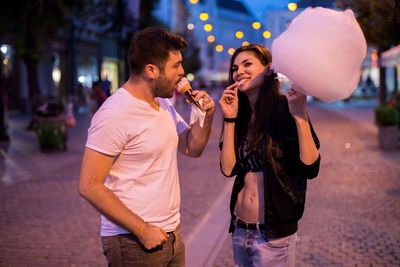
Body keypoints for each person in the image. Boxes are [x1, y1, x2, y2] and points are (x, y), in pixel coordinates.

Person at [78, 27, 215, 266]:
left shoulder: (163, 103)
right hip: (132, 241)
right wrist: (142, 230)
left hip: (172, 233)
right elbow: (89, 185)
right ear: (151, 70)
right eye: (176, 66)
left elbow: (192, 148)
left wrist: (207, 116)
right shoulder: (115, 113)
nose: (182, 73)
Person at [218, 43, 320, 267]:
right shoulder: (241, 114)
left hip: (273, 236)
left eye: (247, 64)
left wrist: (300, 116)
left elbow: (311, 168)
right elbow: (228, 169)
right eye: (235, 68)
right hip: (240, 231)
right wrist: (229, 119)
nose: (239, 72)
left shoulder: (286, 107)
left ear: (268, 69)